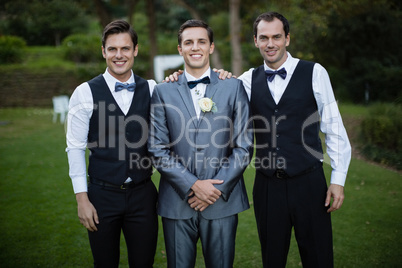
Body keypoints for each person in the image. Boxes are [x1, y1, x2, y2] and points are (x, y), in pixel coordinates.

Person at [236, 12, 352, 267]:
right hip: (267, 187)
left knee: (319, 258)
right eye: (264, 37)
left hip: (309, 183)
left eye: (277, 36)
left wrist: (338, 180)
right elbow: (213, 90)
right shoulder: (246, 81)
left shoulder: (314, 72)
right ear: (255, 41)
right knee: (272, 259)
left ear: (287, 38)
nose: (270, 43)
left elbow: (333, 127)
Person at [148, 19, 253, 268]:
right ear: (180, 49)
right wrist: (193, 185)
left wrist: (214, 189)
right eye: (188, 42)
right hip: (177, 203)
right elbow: (157, 148)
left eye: (201, 42)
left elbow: (244, 147)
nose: (195, 47)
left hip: (222, 203)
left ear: (211, 47)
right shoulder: (163, 91)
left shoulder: (233, 87)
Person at [66, 20, 158, 267]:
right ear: (103, 51)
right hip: (101, 196)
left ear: (135, 50)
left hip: (143, 194)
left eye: (125, 48)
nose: (119, 55)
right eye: (113, 49)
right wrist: (82, 200)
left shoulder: (151, 88)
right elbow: (75, 148)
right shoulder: (84, 92)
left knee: (144, 263)